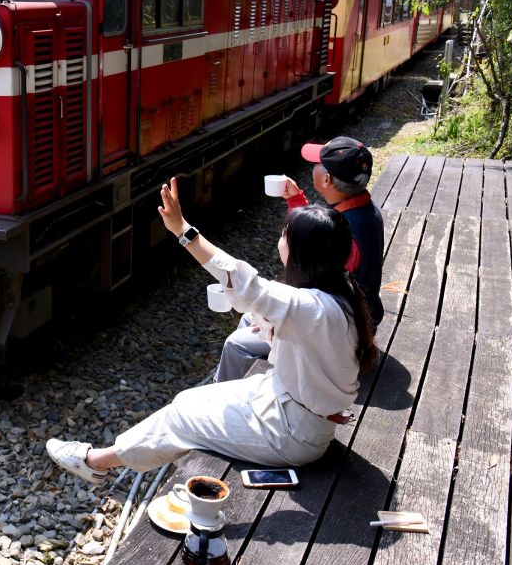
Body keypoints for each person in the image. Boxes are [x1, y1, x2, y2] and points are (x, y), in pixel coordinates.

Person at [46, 176, 377, 484]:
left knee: (180, 420)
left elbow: (244, 282)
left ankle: (94, 462)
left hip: (292, 434)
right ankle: (167, 467)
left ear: (302, 253)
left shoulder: (311, 308)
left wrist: (183, 230)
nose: (280, 241)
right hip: (289, 407)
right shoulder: (338, 290)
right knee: (186, 400)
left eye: (284, 235)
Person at [214, 136, 384, 383]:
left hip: (340, 330)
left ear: (327, 179)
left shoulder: (347, 232)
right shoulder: (364, 209)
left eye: (317, 164)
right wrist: (296, 201)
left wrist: (273, 320)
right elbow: (318, 237)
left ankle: (222, 399)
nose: (312, 167)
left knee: (236, 344)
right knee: (248, 318)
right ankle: (239, 384)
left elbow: (316, 297)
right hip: (360, 312)